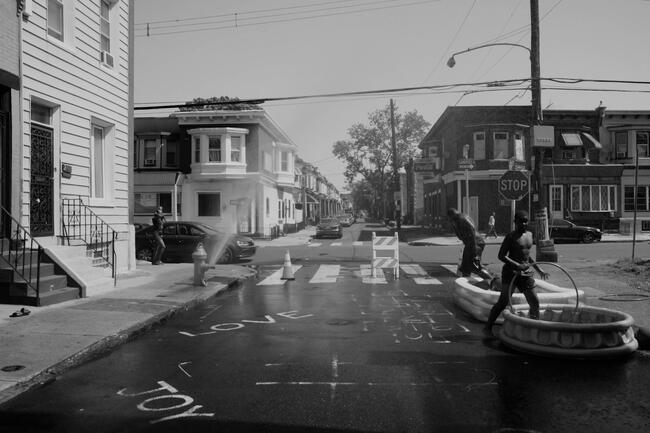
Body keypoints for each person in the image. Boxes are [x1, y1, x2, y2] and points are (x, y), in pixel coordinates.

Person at [483, 210, 549, 337]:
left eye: (525, 221)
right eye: (521, 221)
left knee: (534, 303)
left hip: (526, 274)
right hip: (511, 273)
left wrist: (539, 269)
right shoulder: (511, 237)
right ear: (515, 222)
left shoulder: (530, 234)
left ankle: (533, 331)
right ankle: (487, 327)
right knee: (503, 302)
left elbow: (527, 256)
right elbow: (501, 256)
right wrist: (517, 265)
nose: (524, 224)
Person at [447, 208, 492, 281]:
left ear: (452, 215)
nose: (449, 220)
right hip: (469, 244)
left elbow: (472, 232)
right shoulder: (457, 221)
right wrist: (454, 226)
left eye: (449, 218)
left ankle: (493, 281)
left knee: (475, 266)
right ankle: (466, 284)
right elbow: (460, 236)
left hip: (475, 243)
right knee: (465, 267)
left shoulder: (462, 219)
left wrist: (474, 250)